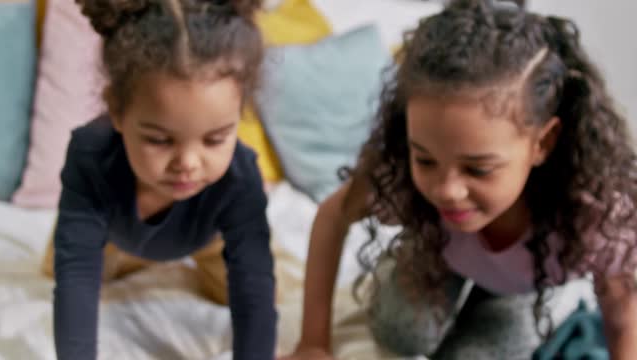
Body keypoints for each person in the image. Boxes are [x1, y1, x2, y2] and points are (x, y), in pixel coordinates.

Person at [282, 0, 637, 358]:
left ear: (542, 143)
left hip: (517, 290)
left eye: (478, 169)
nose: (446, 190)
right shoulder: (400, 175)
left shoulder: (595, 216)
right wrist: (312, 341)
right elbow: (333, 216)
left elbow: (623, 317)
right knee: (401, 333)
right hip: (434, 254)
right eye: (425, 159)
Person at [44, 0, 277, 358]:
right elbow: (76, 280)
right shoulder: (90, 155)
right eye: (159, 140)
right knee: (55, 265)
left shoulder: (240, 176)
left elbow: (254, 292)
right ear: (118, 112)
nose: (187, 164)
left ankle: (168, 254)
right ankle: (140, 254)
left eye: (214, 139)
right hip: (113, 235)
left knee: (266, 286)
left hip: (206, 240)